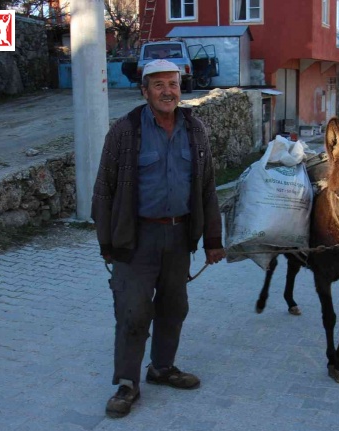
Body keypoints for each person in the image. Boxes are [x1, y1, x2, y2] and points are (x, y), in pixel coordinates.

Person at [91, 59, 226, 419]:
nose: (168, 91)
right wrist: (108, 242)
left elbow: (207, 186)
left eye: (174, 84)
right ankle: (127, 383)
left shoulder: (195, 129)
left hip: (180, 235)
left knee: (174, 306)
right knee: (133, 310)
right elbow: (103, 189)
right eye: (159, 85)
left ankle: (162, 368)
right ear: (145, 90)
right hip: (136, 237)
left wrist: (213, 239)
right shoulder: (125, 131)